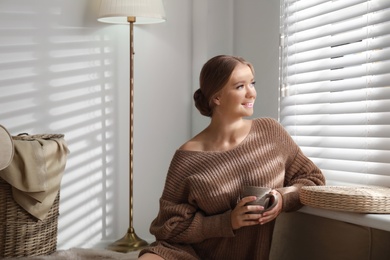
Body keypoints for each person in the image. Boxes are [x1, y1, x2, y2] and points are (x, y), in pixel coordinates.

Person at [138, 55, 325, 260]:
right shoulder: (188, 156)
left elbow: (313, 179)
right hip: (188, 254)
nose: (251, 93)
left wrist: (282, 198)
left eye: (252, 83)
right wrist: (228, 221)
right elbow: (167, 227)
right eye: (240, 86)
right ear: (217, 97)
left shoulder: (271, 132)